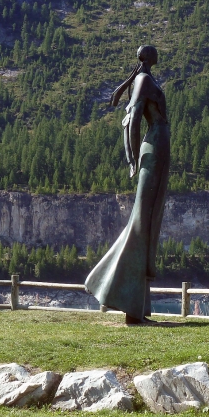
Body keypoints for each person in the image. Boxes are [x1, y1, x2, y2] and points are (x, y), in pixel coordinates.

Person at [85, 45, 170, 324]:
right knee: (141, 222)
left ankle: (138, 306)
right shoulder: (144, 81)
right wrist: (132, 159)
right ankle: (120, 296)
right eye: (153, 52)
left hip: (158, 150)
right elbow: (132, 118)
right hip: (153, 150)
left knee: (147, 223)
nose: (158, 54)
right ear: (148, 57)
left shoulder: (143, 79)